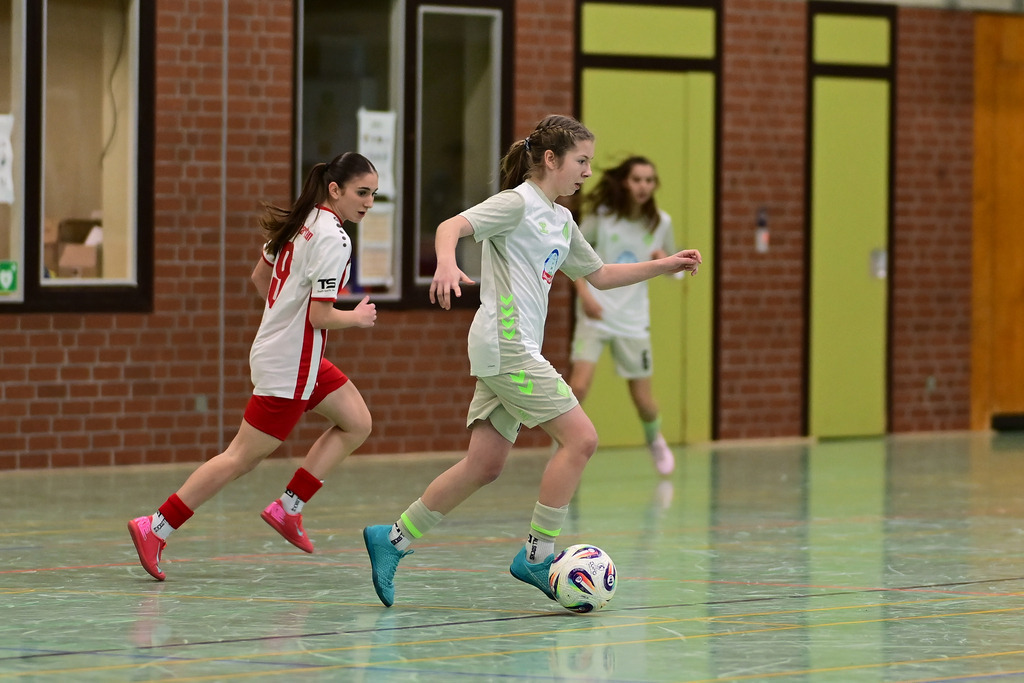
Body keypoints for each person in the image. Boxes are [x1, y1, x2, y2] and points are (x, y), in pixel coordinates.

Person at [361, 115, 702, 607]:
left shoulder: (561, 220)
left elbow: (600, 274)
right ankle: (538, 556)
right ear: (550, 159)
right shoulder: (517, 203)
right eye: (581, 161)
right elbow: (451, 226)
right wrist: (446, 262)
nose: (587, 171)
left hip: (509, 349)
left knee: (483, 465)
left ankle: (390, 540)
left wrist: (665, 264)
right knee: (582, 439)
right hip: (508, 348)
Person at [127, 152, 380, 581]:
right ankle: (156, 526)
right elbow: (320, 316)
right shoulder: (333, 238)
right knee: (240, 458)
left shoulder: (298, 223)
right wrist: (355, 317)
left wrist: (284, 317)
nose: (369, 202)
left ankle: (288, 507)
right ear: (335, 190)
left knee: (357, 421)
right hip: (291, 365)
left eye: (374, 194)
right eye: (362, 192)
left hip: (295, 356)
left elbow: (260, 279)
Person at [568, 156, 679, 476]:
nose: (643, 186)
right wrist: (586, 296)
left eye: (649, 180)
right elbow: (572, 254)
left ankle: (654, 439)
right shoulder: (602, 218)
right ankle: (563, 445)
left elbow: (677, 272)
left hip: (633, 322)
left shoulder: (661, 223)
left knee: (644, 401)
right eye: (637, 179)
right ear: (624, 183)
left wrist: (666, 262)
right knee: (579, 387)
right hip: (596, 316)